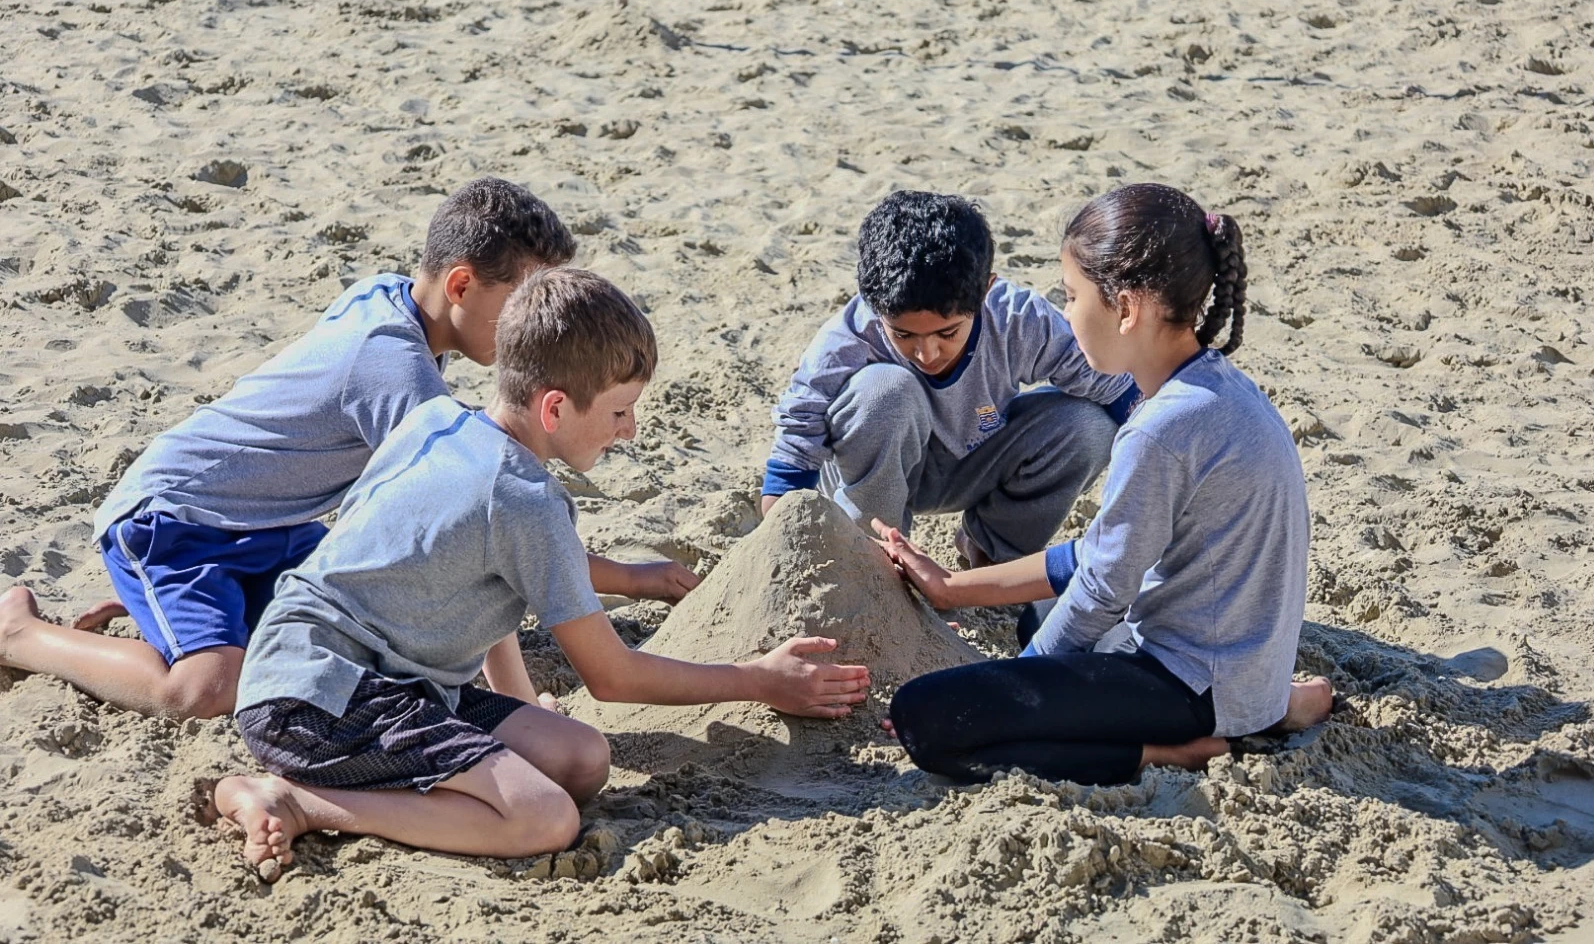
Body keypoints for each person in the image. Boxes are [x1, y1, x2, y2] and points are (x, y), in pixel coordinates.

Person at [215, 268, 870, 877]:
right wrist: (759, 681)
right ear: (554, 408)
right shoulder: (527, 501)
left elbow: (482, 582)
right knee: (544, 816)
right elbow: (612, 677)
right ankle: (296, 800)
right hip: (318, 698)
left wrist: (521, 707)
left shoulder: (440, 421)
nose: (631, 431)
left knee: (581, 760)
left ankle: (349, 781)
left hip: (345, 673)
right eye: (618, 412)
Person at [0, 178, 696, 720]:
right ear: (460, 284)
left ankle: (162, 605)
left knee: (365, 627)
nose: (532, 331)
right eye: (523, 303)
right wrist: (514, 700)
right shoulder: (395, 373)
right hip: (174, 523)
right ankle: (22, 637)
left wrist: (627, 578)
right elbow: (472, 544)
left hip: (270, 526)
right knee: (207, 688)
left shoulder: (394, 302)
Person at [876, 183, 1333, 786]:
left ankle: (1177, 752)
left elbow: (1100, 591)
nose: (1064, 315)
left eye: (1071, 296)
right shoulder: (1218, 385)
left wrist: (1025, 678)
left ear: (1125, 308)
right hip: (1237, 663)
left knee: (925, 719)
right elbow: (1100, 558)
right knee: (1040, 610)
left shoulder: (1160, 430)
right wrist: (954, 588)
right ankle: (1273, 705)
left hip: (1193, 681)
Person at [760, 190, 1138, 567]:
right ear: (875, 305)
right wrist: (776, 547)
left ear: (985, 292)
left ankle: (990, 551)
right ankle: (870, 567)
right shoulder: (848, 337)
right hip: (871, 470)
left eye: (947, 333)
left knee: (1089, 426)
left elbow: (1116, 386)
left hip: (972, 457)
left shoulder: (1017, 320)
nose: (927, 354)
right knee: (886, 392)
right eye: (904, 335)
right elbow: (795, 446)